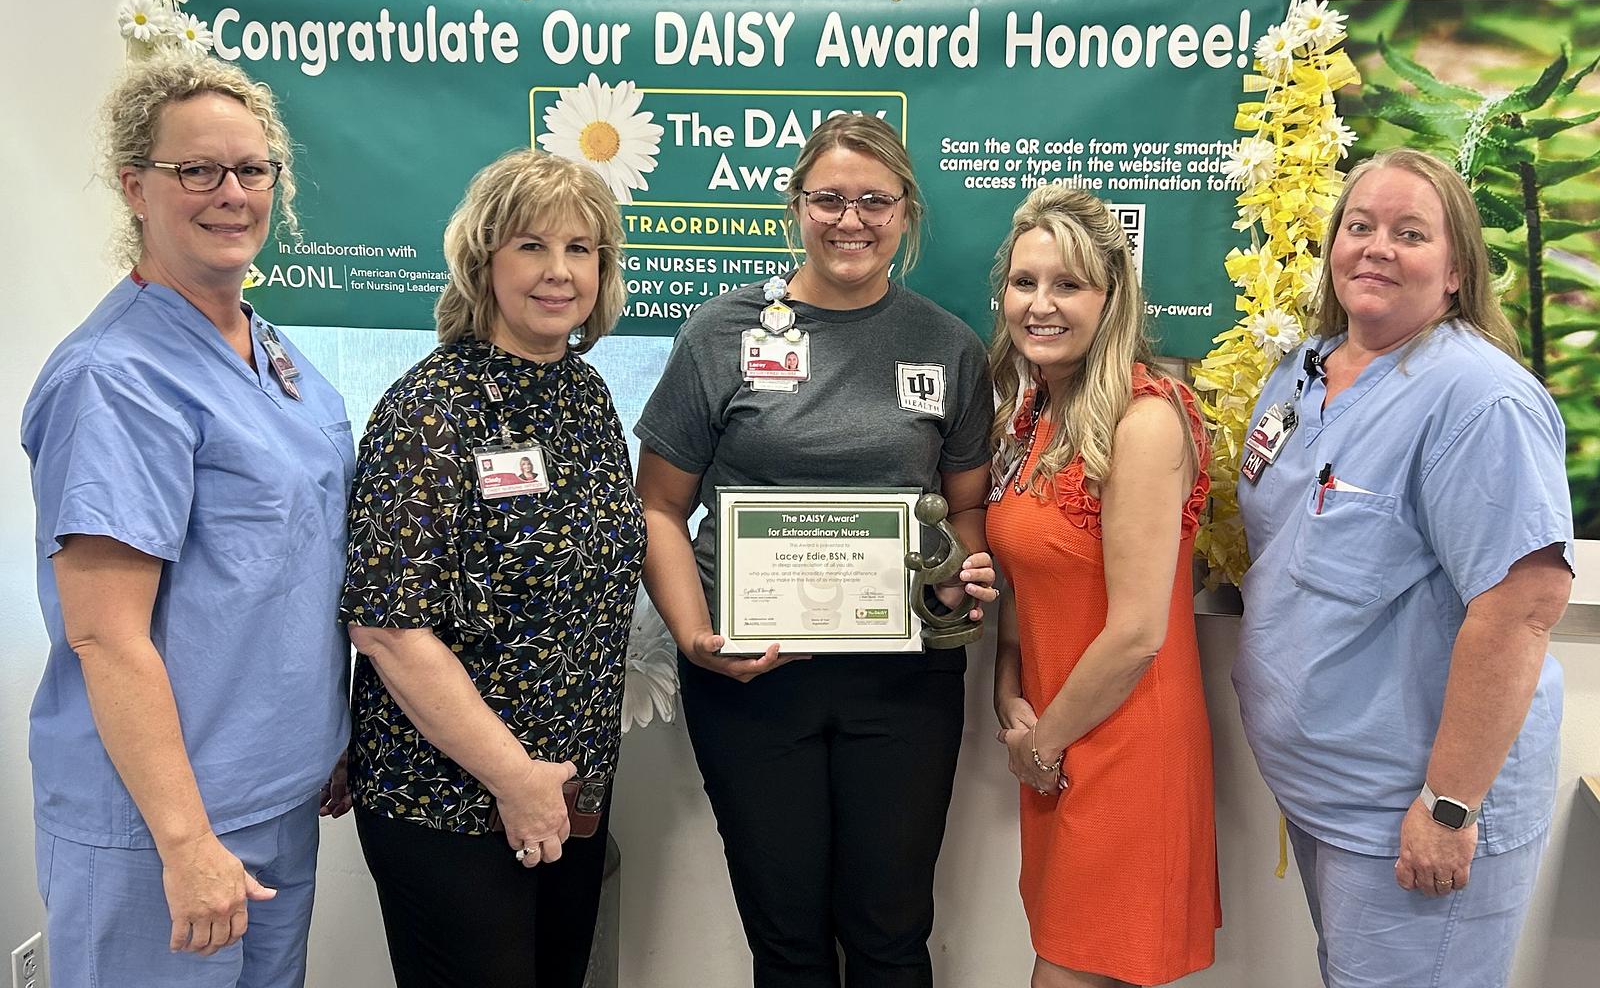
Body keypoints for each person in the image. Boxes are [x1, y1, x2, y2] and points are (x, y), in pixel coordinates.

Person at [635, 113, 997, 988]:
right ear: (795, 206)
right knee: (788, 941)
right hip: (752, 679)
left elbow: (967, 509)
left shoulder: (948, 347)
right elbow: (656, 508)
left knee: (890, 935)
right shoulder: (722, 335)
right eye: (829, 198)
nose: (851, 220)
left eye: (875, 200)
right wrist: (695, 641)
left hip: (901, 684)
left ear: (906, 214)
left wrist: (960, 580)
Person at [20, 54, 354, 987]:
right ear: (135, 186)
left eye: (252, 171)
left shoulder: (270, 347)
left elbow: (291, 564)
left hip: (273, 797)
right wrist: (183, 841)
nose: (231, 193)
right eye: (196, 171)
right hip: (165, 825)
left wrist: (320, 738)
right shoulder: (115, 378)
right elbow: (104, 635)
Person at [1233, 148, 1574, 988]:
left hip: (1413, 808)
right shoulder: (1301, 372)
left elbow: (1523, 605)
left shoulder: (1478, 400)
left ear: (1456, 270)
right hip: (1328, 793)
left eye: (1410, 233)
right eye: (1360, 226)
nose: (1377, 247)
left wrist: (1449, 806)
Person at [340, 149, 645, 988]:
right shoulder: (429, 410)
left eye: (580, 249)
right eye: (530, 247)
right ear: (484, 262)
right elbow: (388, 627)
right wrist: (514, 779)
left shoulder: (584, 395)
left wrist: (549, 787)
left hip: (569, 790)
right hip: (450, 803)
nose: (558, 272)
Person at [985, 185, 1219, 987]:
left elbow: (1137, 632)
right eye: (1025, 282)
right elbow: (1027, 584)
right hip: (1054, 745)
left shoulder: (1144, 421)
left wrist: (1041, 745)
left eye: (1068, 285)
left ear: (1112, 297)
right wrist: (1007, 690)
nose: (1040, 305)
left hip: (1122, 748)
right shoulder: (1035, 416)